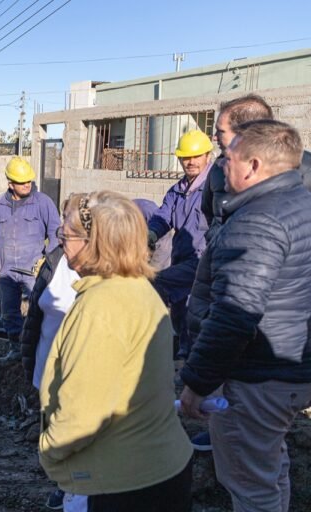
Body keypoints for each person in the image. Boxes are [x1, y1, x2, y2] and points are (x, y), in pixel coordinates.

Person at [180, 120, 311, 512]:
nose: (221, 167)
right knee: (269, 469)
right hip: (293, 367)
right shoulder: (301, 204)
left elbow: (234, 315)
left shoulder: (257, 222)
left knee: (250, 487)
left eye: (227, 159)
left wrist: (197, 384)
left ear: (253, 166)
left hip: (258, 378)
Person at [39, 191, 193, 512]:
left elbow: (82, 416)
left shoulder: (100, 308)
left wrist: (50, 451)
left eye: (66, 235)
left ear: (94, 244)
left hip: (120, 483)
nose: (61, 241)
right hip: (161, 469)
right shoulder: (140, 289)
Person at [20, 218, 80, 511]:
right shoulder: (55, 259)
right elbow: (34, 314)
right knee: (52, 429)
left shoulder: (100, 272)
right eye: (61, 232)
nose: (61, 237)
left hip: (77, 371)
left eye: (67, 233)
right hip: (47, 365)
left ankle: (74, 485)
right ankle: (61, 482)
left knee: (75, 431)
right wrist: (28, 358)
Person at [202, 93, 311, 242]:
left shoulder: (305, 168)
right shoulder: (218, 168)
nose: (214, 137)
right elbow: (209, 213)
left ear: (247, 131)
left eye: (221, 131)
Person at [0, 156, 60, 362]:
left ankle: (40, 352)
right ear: (10, 183)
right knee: (9, 312)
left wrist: (48, 262)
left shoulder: (43, 202)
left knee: (39, 311)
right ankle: (15, 348)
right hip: (7, 270)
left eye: (29, 180)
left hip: (33, 271)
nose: (27, 184)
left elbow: (55, 232)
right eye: (22, 181)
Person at [147, 130, 213, 360]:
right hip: (182, 259)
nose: (191, 162)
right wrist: (151, 234)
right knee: (180, 306)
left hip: (204, 261)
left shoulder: (214, 188)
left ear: (207, 156)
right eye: (186, 157)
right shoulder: (177, 190)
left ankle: (162, 338)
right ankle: (184, 351)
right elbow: (163, 217)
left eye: (196, 156)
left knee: (159, 280)